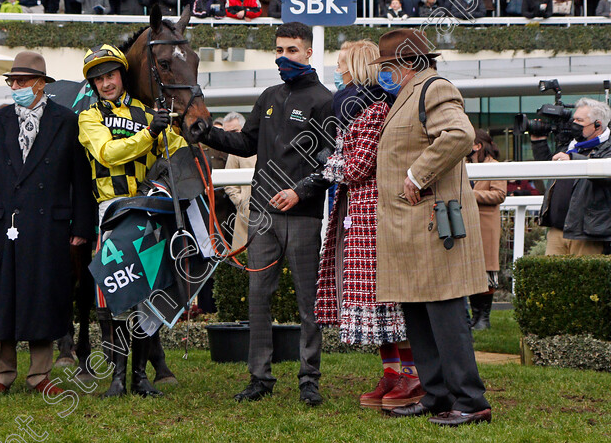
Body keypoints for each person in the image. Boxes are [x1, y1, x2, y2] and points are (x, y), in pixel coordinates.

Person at [199, 22, 334, 406]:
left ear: (308, 52)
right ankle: (260, 377)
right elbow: (244, 142)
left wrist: (300, 192)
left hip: (303, 215)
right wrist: (204, 132)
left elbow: (331, 163)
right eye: (279, 49)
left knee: (309, 302)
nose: (284, 57)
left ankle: (309, 378)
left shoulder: (325, 101)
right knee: (258, 299)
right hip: (261, 217)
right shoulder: (269, 95)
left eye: (292, 50)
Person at [372, 28, 491, 426]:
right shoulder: (408, 93)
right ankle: (437, 393)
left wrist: (417, 174)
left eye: (387, 66)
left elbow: (459, 134)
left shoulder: (434, 87)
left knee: (444, 312)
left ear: (405, 63)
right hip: (410, 224)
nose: (384, 74)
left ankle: (471, 401)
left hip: (430, 223)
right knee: (418, 311)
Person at [0, 51, 92, 399]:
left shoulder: (67, 121)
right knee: (5, 297)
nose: (16, 87)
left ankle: (40, 373)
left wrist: (82, 226)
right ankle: (2, 372)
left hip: (50, 226)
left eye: (23, 81)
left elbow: (80, 178)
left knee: (44, 295)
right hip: (5, 224)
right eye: (12, 81)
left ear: (41, 84)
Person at [316, 40, 422, 412]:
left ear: (357, 66)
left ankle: (412, 374)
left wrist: (328, 166)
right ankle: (392, 371)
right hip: (354, 212)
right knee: (372, 302)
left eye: (342, 63)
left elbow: (359, 165)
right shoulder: (357, 108)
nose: (338, 69)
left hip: (374, 214)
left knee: (388, 299)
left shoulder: (376, 109)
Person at [77, 44, 185, 398]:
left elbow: (172, 147)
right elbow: (108, 154)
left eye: (110, 75)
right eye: (98, 79)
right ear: (92, 84)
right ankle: (117, 379)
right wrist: (150, 133)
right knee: (114, 293)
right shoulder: (88, 116)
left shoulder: (146, 111)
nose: (106, 83)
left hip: (147, 209)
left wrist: (173, 126)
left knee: (145, 294)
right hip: (111, 210)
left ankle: (140, 377)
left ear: (121, 75)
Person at [532, 98, 611, 256]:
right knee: (551, 278)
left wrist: (574, 160)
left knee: (584, 279)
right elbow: (549, 167)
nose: (573, 124)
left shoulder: (607, 147)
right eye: (573, 119)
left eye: (579, 120)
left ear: (597, 125)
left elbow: (604, 174)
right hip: (557, 230)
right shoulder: (572, 145)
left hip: (587, 233)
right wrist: (538, 142)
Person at [466, 129, 506, 331]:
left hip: (486, 225)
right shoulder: (464, 167)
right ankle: (475, 317)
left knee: (487, 270)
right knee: (472, 271)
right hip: (468, 224)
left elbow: (499, 195)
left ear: (477, 145)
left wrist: (471, 195)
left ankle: (484, 318)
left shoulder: (494, 167)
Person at [221, 112, 256, 250]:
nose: (231, 135)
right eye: (227, 132)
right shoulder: (234, 151)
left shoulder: (264, 143)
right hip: (245, 216)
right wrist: (240, 201)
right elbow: (228, 180)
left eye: (234, 131)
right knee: (243, 259)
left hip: (272, 209)